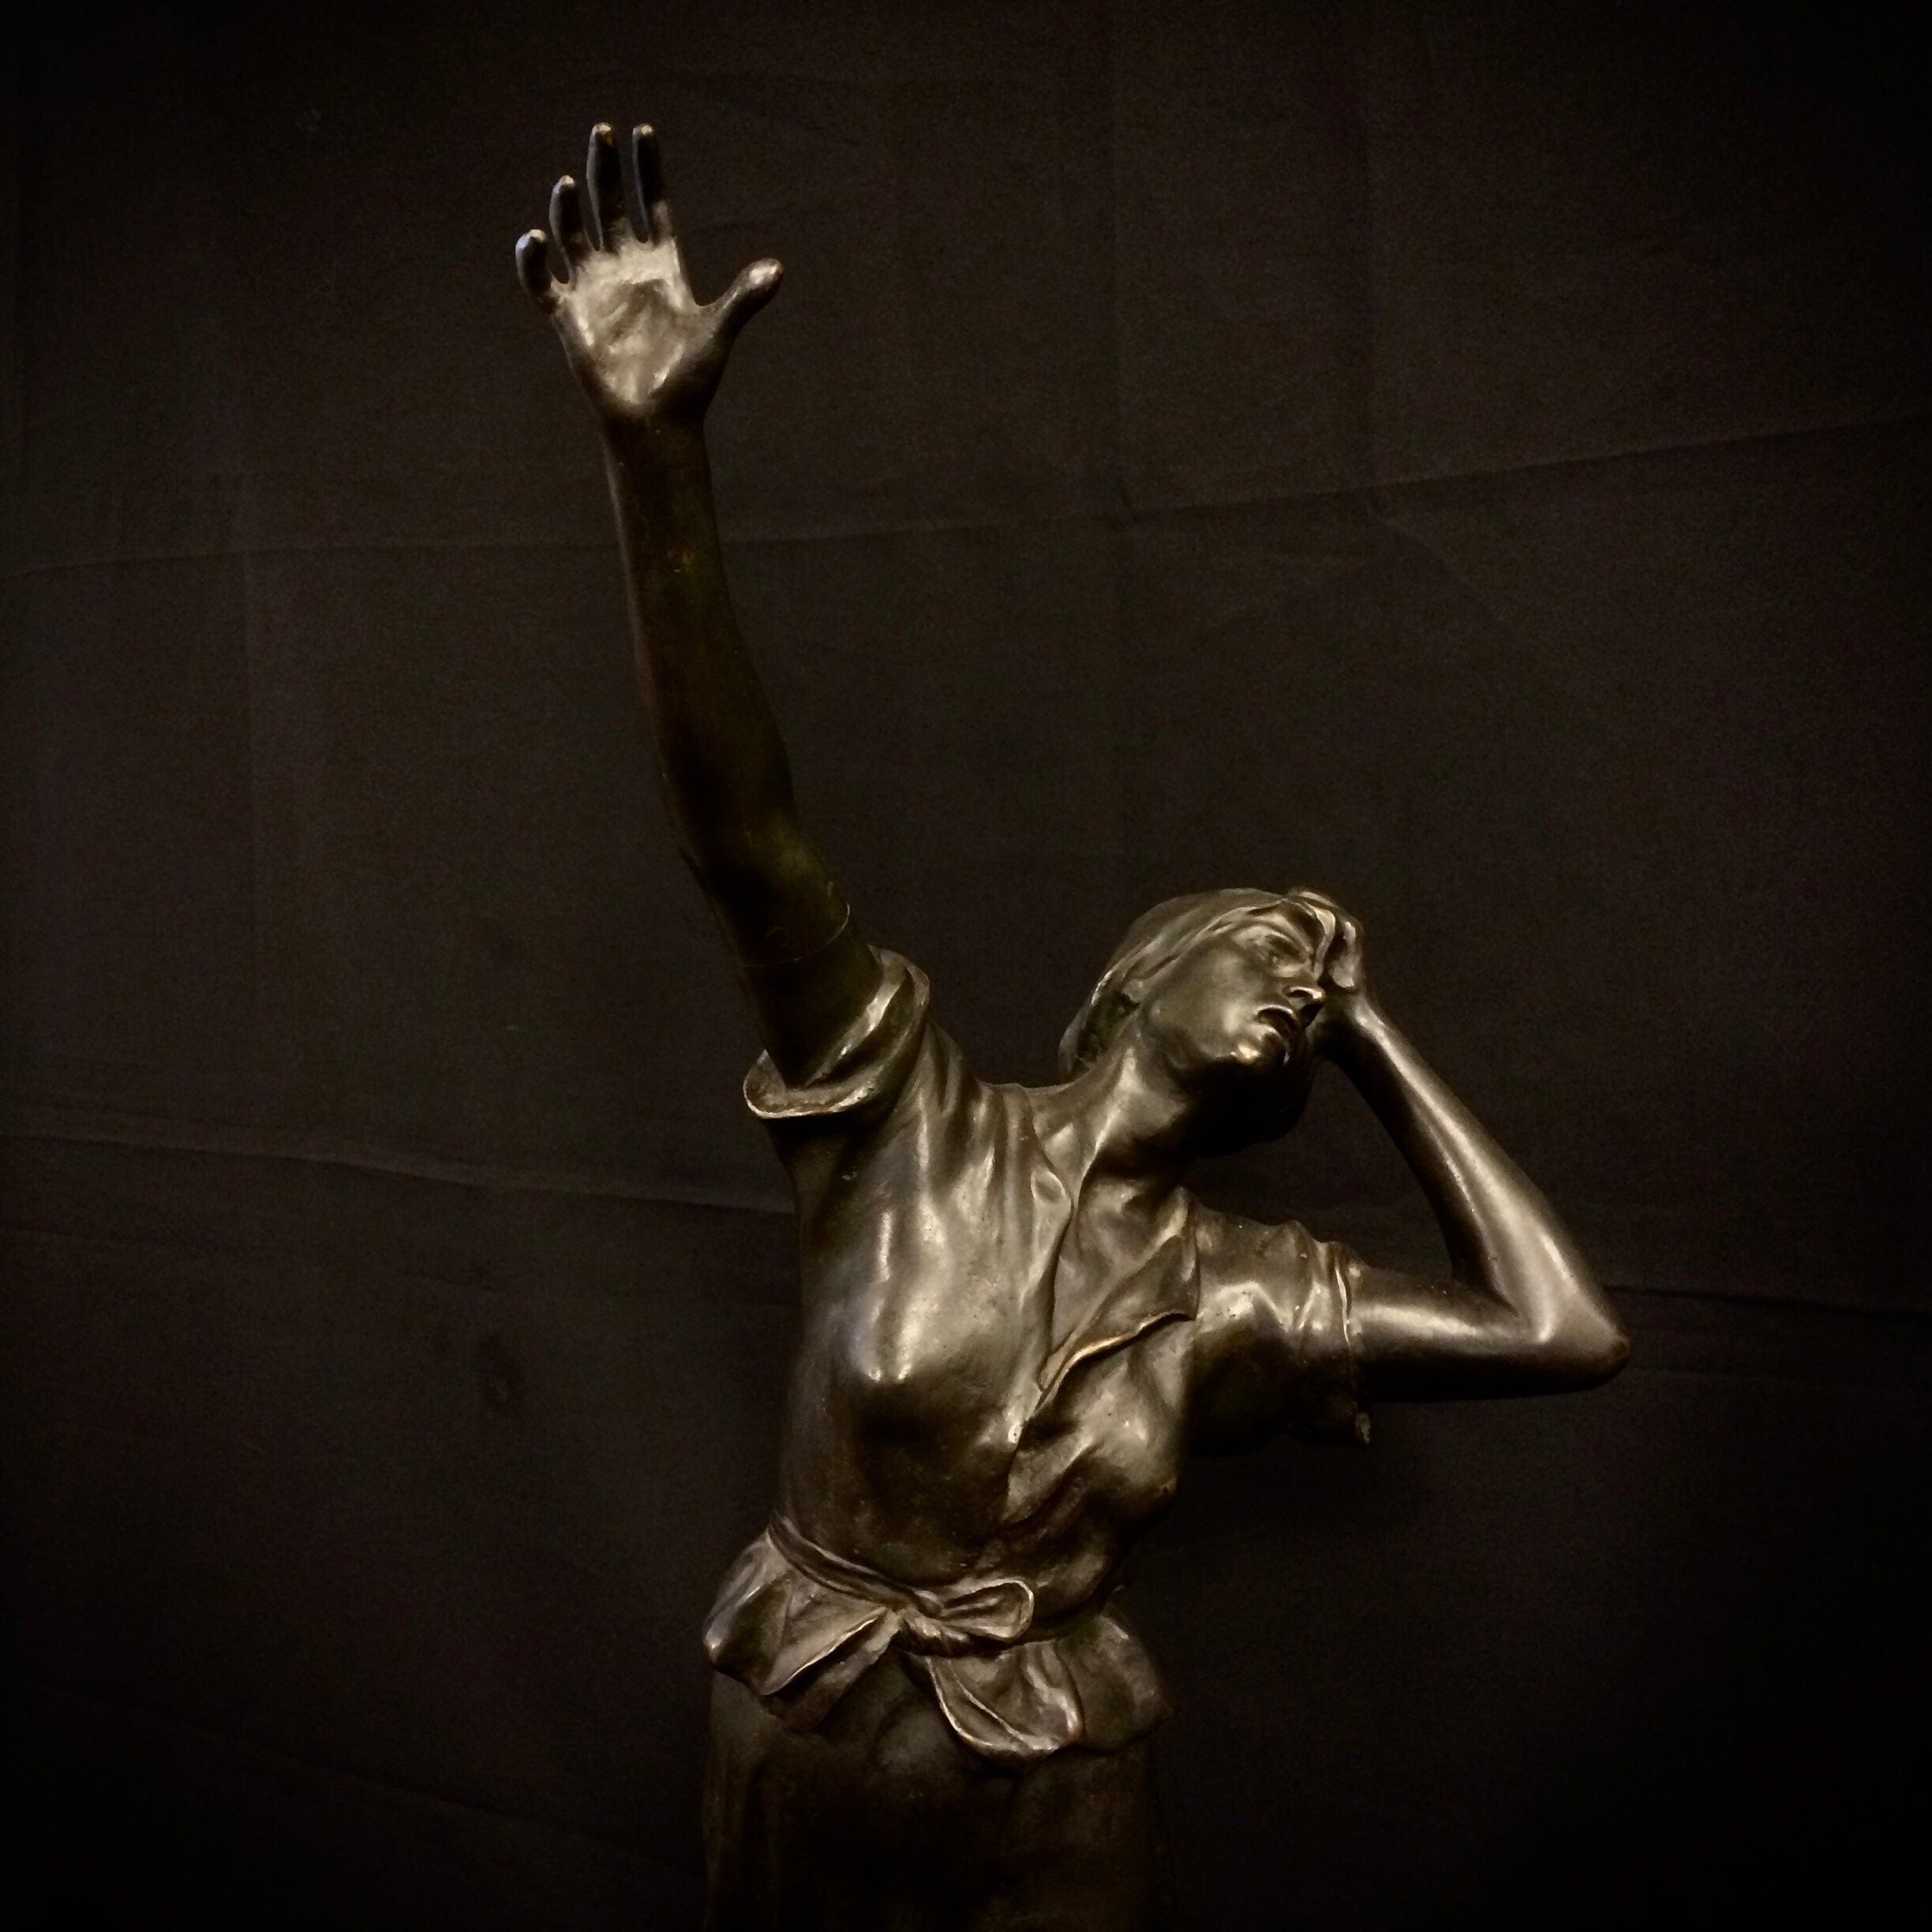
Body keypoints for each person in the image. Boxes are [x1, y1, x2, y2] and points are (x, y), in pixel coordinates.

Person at [518, 122, 1629, 1932]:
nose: (1302, 984)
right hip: (797, 1726)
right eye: (1269, 948)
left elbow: (1561, 1331)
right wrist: (656, 466)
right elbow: (746, 838)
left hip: (1050, 1777)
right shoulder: (904, 1119)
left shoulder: (1239, 1293)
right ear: (1131, 982)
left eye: (1318, 987)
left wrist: (1374, 1035)